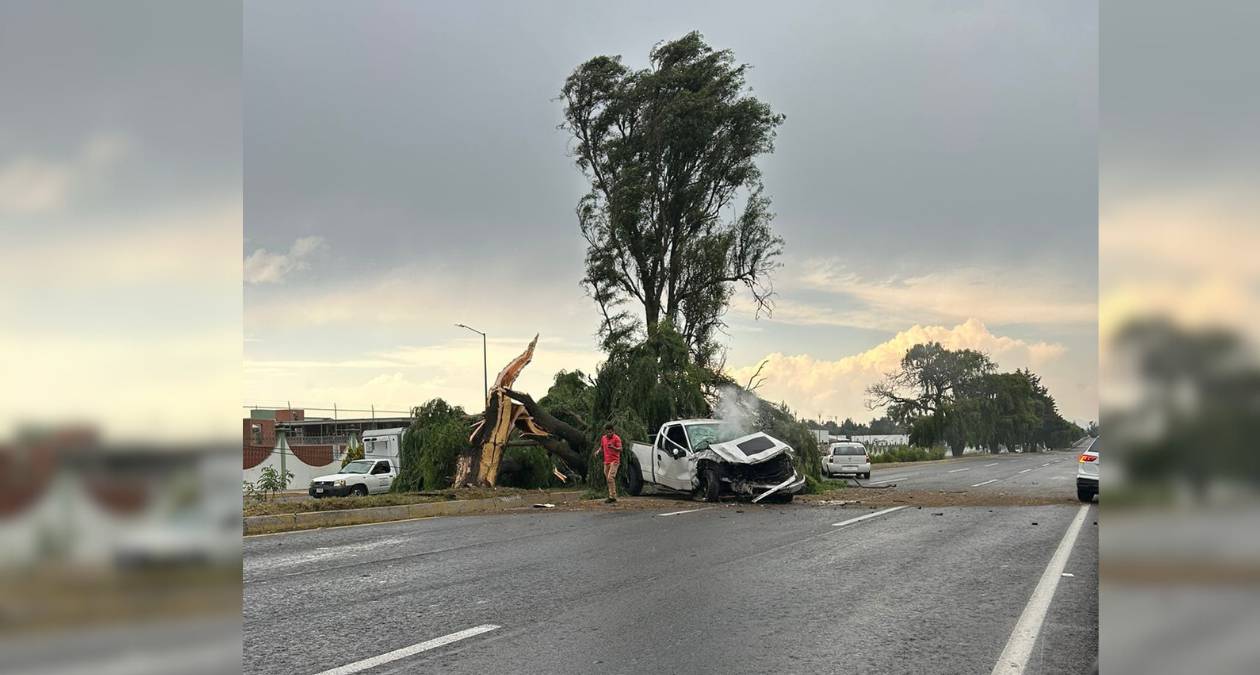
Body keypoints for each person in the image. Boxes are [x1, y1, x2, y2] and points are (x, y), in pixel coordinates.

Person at [600, 423, 622, 503]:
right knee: (608, 479)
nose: (609, 434)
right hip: (606, 461)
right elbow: (602, 447)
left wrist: (613, 447)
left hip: (615, 461)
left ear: (613, 431)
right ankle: (612, 495)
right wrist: (598, 451)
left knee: (610, 478)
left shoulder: (617, 438)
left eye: (610, 432)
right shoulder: (603, 438)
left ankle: (612, 496)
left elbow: (620, 449)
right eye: (607, 432)